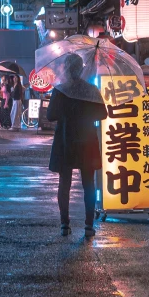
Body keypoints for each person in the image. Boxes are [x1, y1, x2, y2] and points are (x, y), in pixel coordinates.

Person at [46, 54, 107, 237]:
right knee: (88, 184)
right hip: (87, 141)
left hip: (65, 140)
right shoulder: (90, 90)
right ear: (81, 69)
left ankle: (64, 223)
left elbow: (50, 115)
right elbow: (103, 114)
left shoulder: (60, 90)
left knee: (65, 183)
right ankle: (89, 225)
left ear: (66, 68)